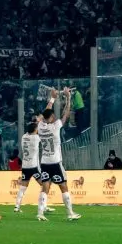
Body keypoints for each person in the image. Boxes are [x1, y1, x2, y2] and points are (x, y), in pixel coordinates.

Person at [38, 88, 81, 221]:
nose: (54, 117)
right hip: (55, 162)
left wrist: (52, 98)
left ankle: (40, 213)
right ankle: (70, 213)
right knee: (64, 187)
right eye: (53, 116)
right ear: (51, 118)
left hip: (44, 162)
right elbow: (66, 115)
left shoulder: (40, 126)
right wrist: (68, 97)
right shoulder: (55, 126)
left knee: (45, 187)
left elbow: (45, 113)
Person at [14, 122, 43, 216]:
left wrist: (36, 122)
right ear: (35, 129)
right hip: (33, 166)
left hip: (25, 166)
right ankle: (44, 206)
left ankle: (17, 206)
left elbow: (30, 132)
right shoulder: (36, 138)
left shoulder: (24, 137)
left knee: (23, 187)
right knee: (44, 186)